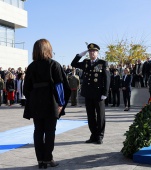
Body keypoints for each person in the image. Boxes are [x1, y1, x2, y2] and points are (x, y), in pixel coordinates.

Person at [23, 39, 71, 169]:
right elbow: (60, 86)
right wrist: (61, 103)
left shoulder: (31, 66)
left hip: (36, 103)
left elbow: (26, 88)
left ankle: (40, 161)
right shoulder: (54, 65)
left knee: (38, 131)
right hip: (51, 103)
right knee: (50, 131)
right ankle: (48, 158)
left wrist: (33, 98)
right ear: (48, 49)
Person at [71, 43, 110, 144]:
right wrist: (80, 55)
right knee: (91, 116)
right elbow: (73, 64)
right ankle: (93, 135)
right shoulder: (86, 62)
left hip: (98, 94)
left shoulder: (103, 63)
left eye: (94, 51)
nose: (92, 53)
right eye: (90, 51)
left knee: (100, 116)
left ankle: (100, 136)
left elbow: (107, 79)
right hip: (88, 93)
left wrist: (105, 93)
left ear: (97, 53)